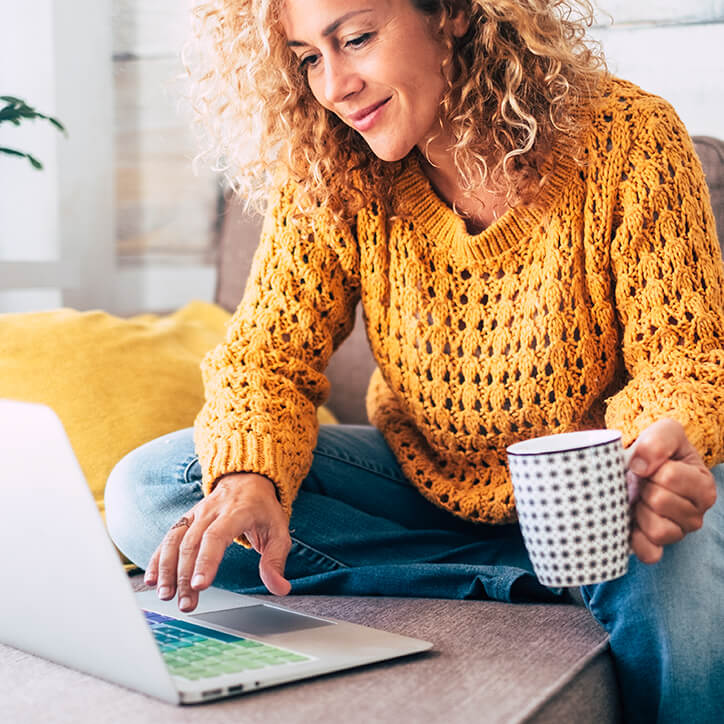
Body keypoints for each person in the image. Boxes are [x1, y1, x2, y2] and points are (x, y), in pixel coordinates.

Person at [104, 0, 724, 720]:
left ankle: (573, 565)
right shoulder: (333, 166)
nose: (335, 85)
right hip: (424, 481)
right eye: (309, 58)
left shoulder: (629, 138)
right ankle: (533, 577)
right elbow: (264, 358)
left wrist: (649, 457)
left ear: (456, 14)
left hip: (598, 494)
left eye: (357, 39)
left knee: (674, 554)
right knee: (154, 489)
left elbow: (685, 357)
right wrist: (249, 475)